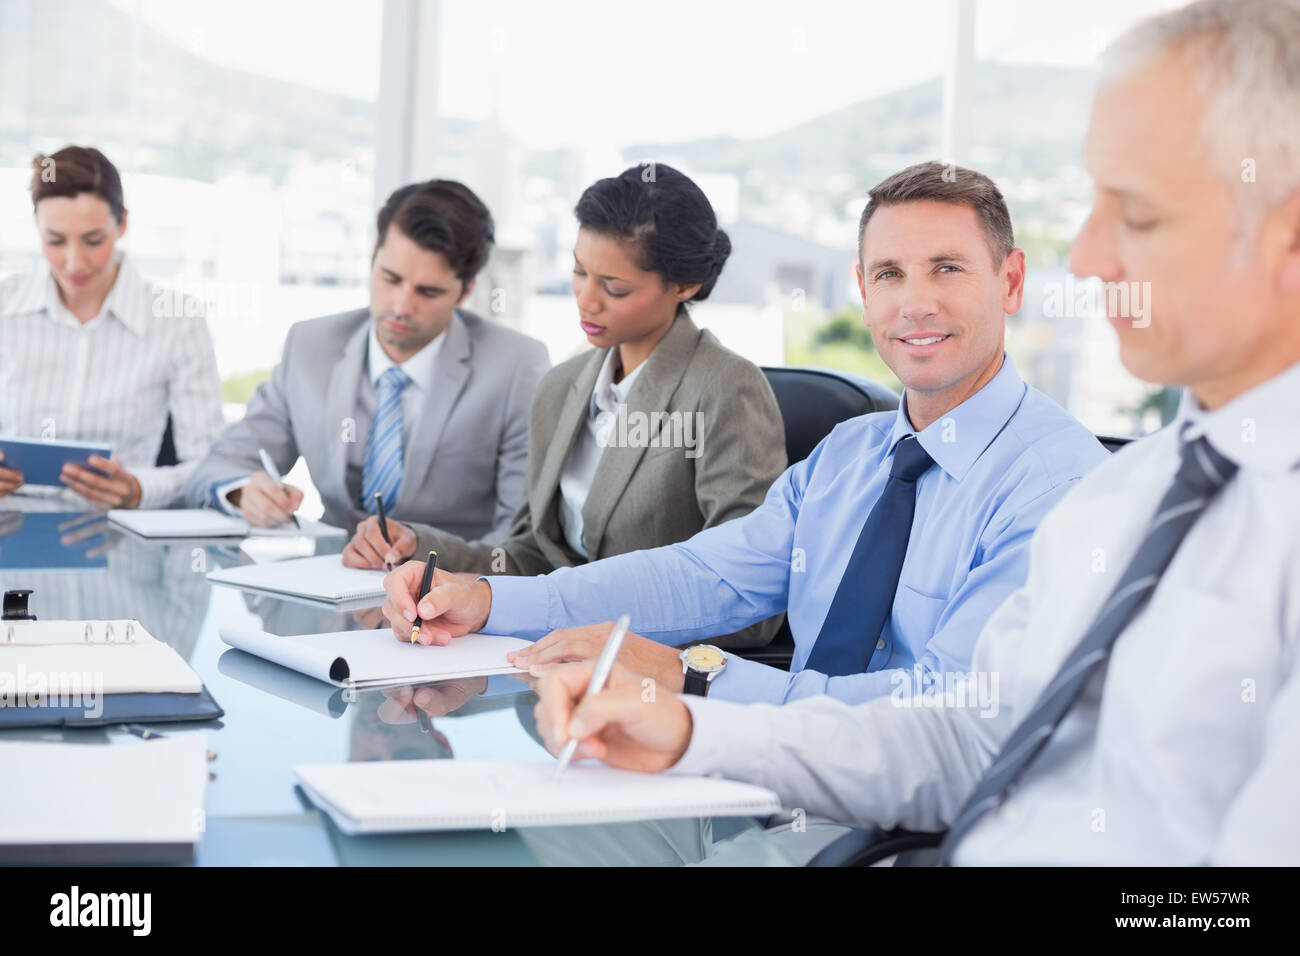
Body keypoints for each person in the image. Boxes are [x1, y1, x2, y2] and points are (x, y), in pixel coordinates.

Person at [530, 0, 1300, 865]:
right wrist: (691, 731)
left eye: (1141, 214)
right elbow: (969, 739)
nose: (1084, 259)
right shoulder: (1135, 495)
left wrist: (702, 684)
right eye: (889, 273)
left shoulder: (1080, 486)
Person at [381, 162, 1108, 706]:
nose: (914, 303)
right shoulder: (847, 459)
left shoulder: (1060, 484)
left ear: (1010, 281)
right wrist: (487, 597)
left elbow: (945, 710)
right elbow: (704, 574)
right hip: (769, 770)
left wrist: (693, 677)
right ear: (863, 291)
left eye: (947, 268)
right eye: (889, 274)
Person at [344, 164, 787, 649]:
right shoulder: (562, 387)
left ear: (684, 286)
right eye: (579, 272)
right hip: (543, 663)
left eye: (614, 288)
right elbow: (531, 558)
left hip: (645, 680)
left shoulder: (725, 387)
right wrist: (420, 545)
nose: (586, 301)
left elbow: (750, 600)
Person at [185, 179, 550, 536]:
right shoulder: (311, 346)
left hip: (445, 586)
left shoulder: (517, 368)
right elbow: (217, 467)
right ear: (373, 256)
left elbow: (520, 537)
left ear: (465, 291)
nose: (401, 306)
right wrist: (243, 492)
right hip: (328, 581)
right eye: (390, 278)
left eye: (428, 291)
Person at [0, 145, 224, 508]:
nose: (74, 262)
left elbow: (210, 466)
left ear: (121, 224)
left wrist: (139, 488)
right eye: (55, 241)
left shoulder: (178, 321)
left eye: (93, 240)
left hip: (123, 533)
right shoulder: (4, 309)